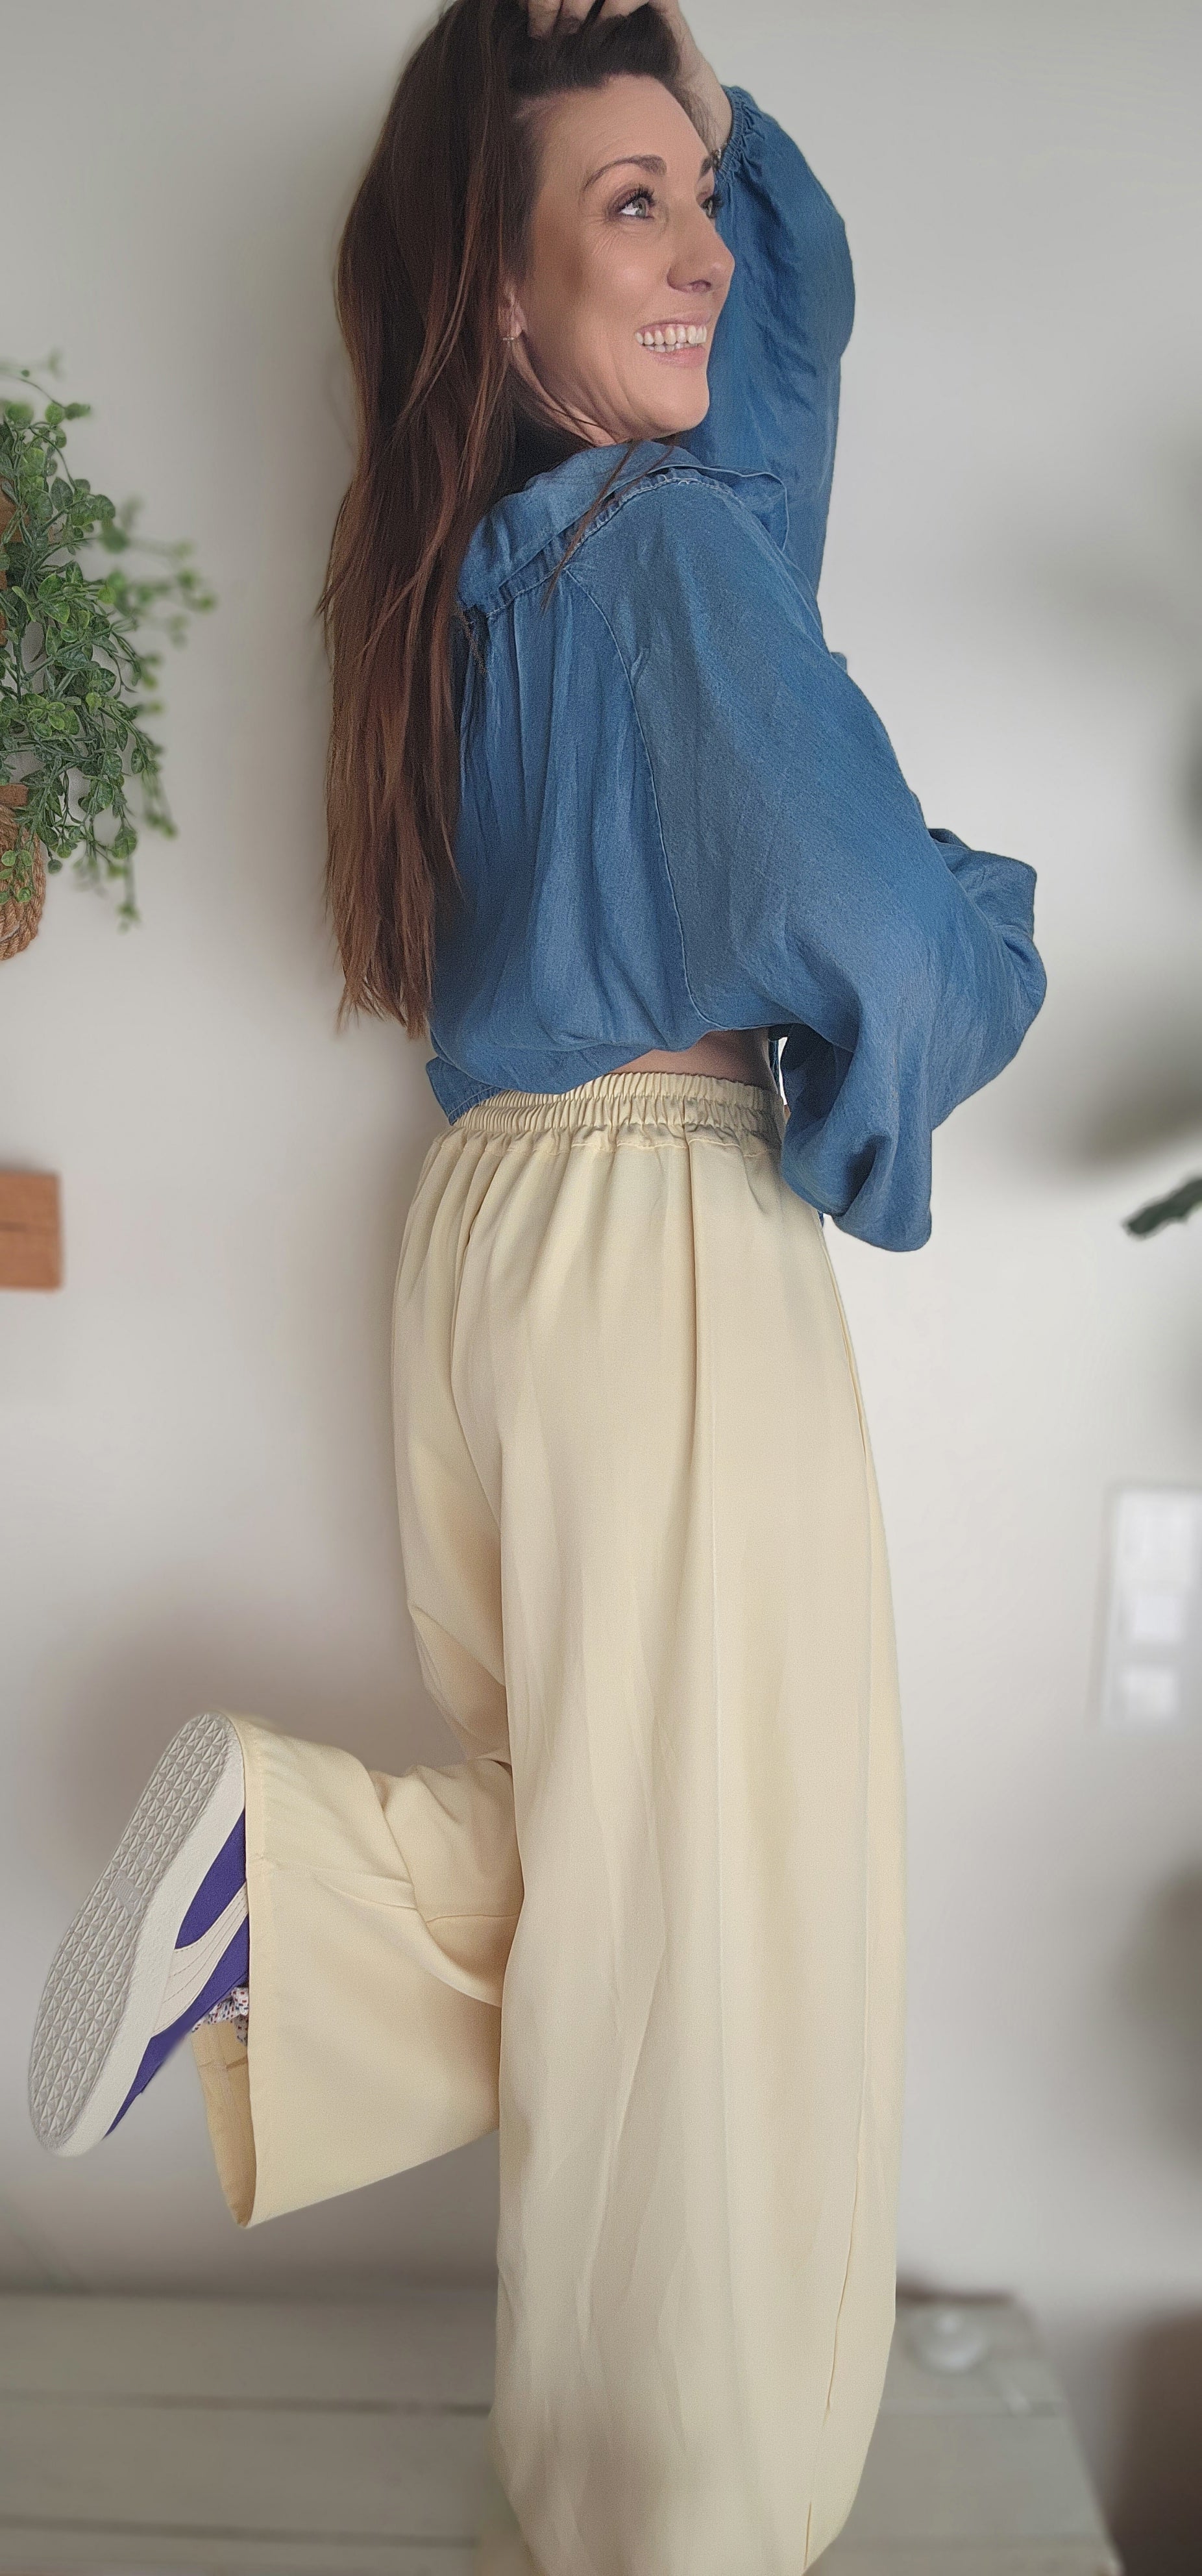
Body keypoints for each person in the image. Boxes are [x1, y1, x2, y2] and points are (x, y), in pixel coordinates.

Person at [28, 3, 1047, 2570]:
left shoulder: (495, 575)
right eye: (628, 204)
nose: (702, 248)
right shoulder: (668, 556)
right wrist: (982, 934)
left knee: (622, 1874)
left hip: (495, 1238)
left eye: (699, 193)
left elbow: (777, 335)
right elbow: (885, 943)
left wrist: (671, 94)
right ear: (500, 292)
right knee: (737, 1919)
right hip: (667, 1250)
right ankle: (673, 2517)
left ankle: (317, 1947)